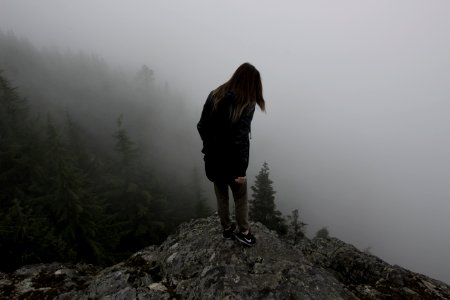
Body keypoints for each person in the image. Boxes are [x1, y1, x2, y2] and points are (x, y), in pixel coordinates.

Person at [197, 62, 265, 246]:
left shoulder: (215, 94)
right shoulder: (247, 103)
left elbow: (201, 126)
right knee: (240, 197)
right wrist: (242, 170)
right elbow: (240, 139)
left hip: (213, 158)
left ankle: (227, 229)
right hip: (233, 161)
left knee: (221, 195)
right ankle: (244, 232)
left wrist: (209, 148)